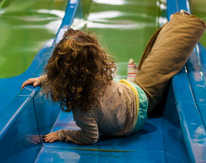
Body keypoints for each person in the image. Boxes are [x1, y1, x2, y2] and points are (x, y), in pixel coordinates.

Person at [21, 10, 206, 145]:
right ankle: (134, 77)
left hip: (136, 108)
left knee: (146, 81)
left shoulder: (82, 109)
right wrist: (46, 79)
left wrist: (63, 134)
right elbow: (72, 73)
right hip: (131, 99)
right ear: (95, 60)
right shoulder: (97, 74)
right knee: (144, 75)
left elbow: (90, 137)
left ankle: (135, 77)